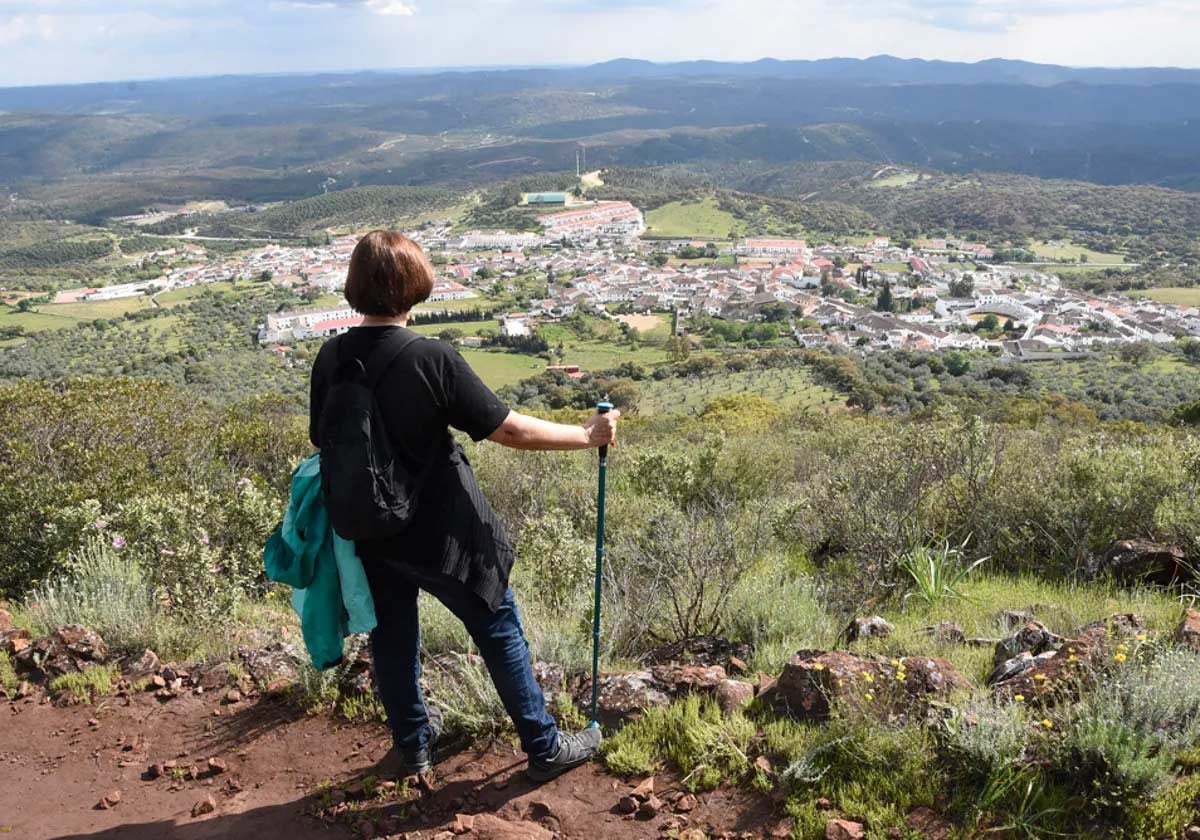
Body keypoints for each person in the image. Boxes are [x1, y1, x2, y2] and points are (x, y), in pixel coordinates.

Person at [308, 230, 619, 782]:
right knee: (498, 625)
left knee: (393, 638)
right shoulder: (431, 358)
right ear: (414, 285)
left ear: (357, 285)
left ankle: (415, 748)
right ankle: (544, 748)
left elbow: (321, 438)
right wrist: (587, 435)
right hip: (445, 533)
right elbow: (510, 431)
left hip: (371, 529)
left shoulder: (331, 355)